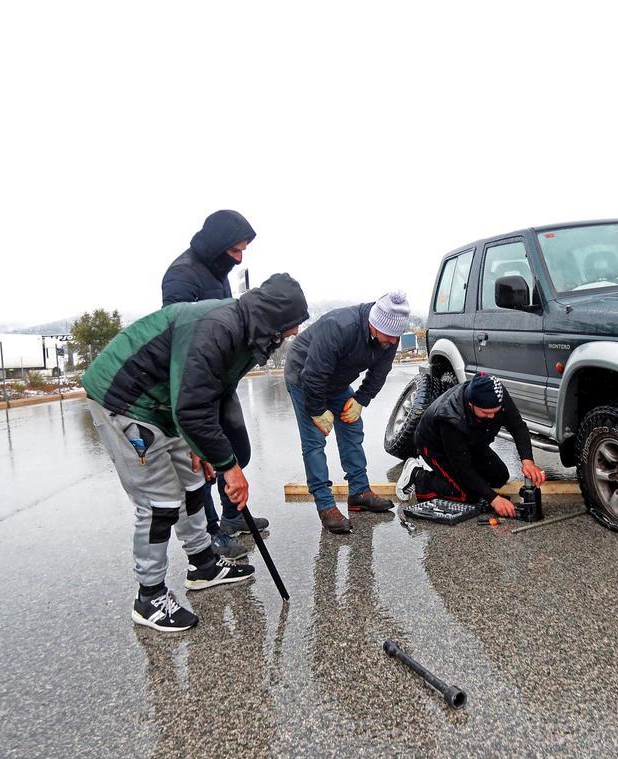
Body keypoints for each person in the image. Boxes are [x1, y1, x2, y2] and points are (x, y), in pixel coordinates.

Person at [83, 273, 309, 632]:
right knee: (159, 502)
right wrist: (229, 467)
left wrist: (201, 445)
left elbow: (210, 395)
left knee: (192, 482)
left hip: (168, 402)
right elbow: (191, 407)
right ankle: (149, 596)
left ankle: (202, 564)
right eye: (291, 324)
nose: (294, 332)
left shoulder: (246, 334)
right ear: (273, 317)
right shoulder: (219, 328)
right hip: (126, 399)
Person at [161, 209, 261, 559]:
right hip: (195, 385)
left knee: (237, 451)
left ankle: (233, 517)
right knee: (201, 460)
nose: (239, 258)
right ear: (218, 246)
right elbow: (178, 336)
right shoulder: (181, 276)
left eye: (243, 251)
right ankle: (211, 530)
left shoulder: (218, 271)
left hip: (220, 382)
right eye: (235, 251)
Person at [285, 292, 410, 534]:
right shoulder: (340, 327)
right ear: (374, 325)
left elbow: (379, 373)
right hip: (305, 376)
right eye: (390, 337)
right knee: (314, 440)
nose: (394, 343)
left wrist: (361, 399)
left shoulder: (388, 338)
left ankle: (359, 492)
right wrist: (317, 410)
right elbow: (314, 375)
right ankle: (325, 505)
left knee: (352, 426)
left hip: (336, 380)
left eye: (397, 337)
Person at [395, 374, 546, 517]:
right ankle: (417, 476)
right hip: (436, 447)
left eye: (495, 412)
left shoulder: (497, 394)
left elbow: (517, 426)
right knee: (465, 495)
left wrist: (528, 461)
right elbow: (463, 468)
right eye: (486, 413)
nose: (492, 417)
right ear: (470, 403)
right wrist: (493, 499)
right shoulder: (450, 418)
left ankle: (472, 487)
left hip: (472, 441)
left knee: (499, 477)